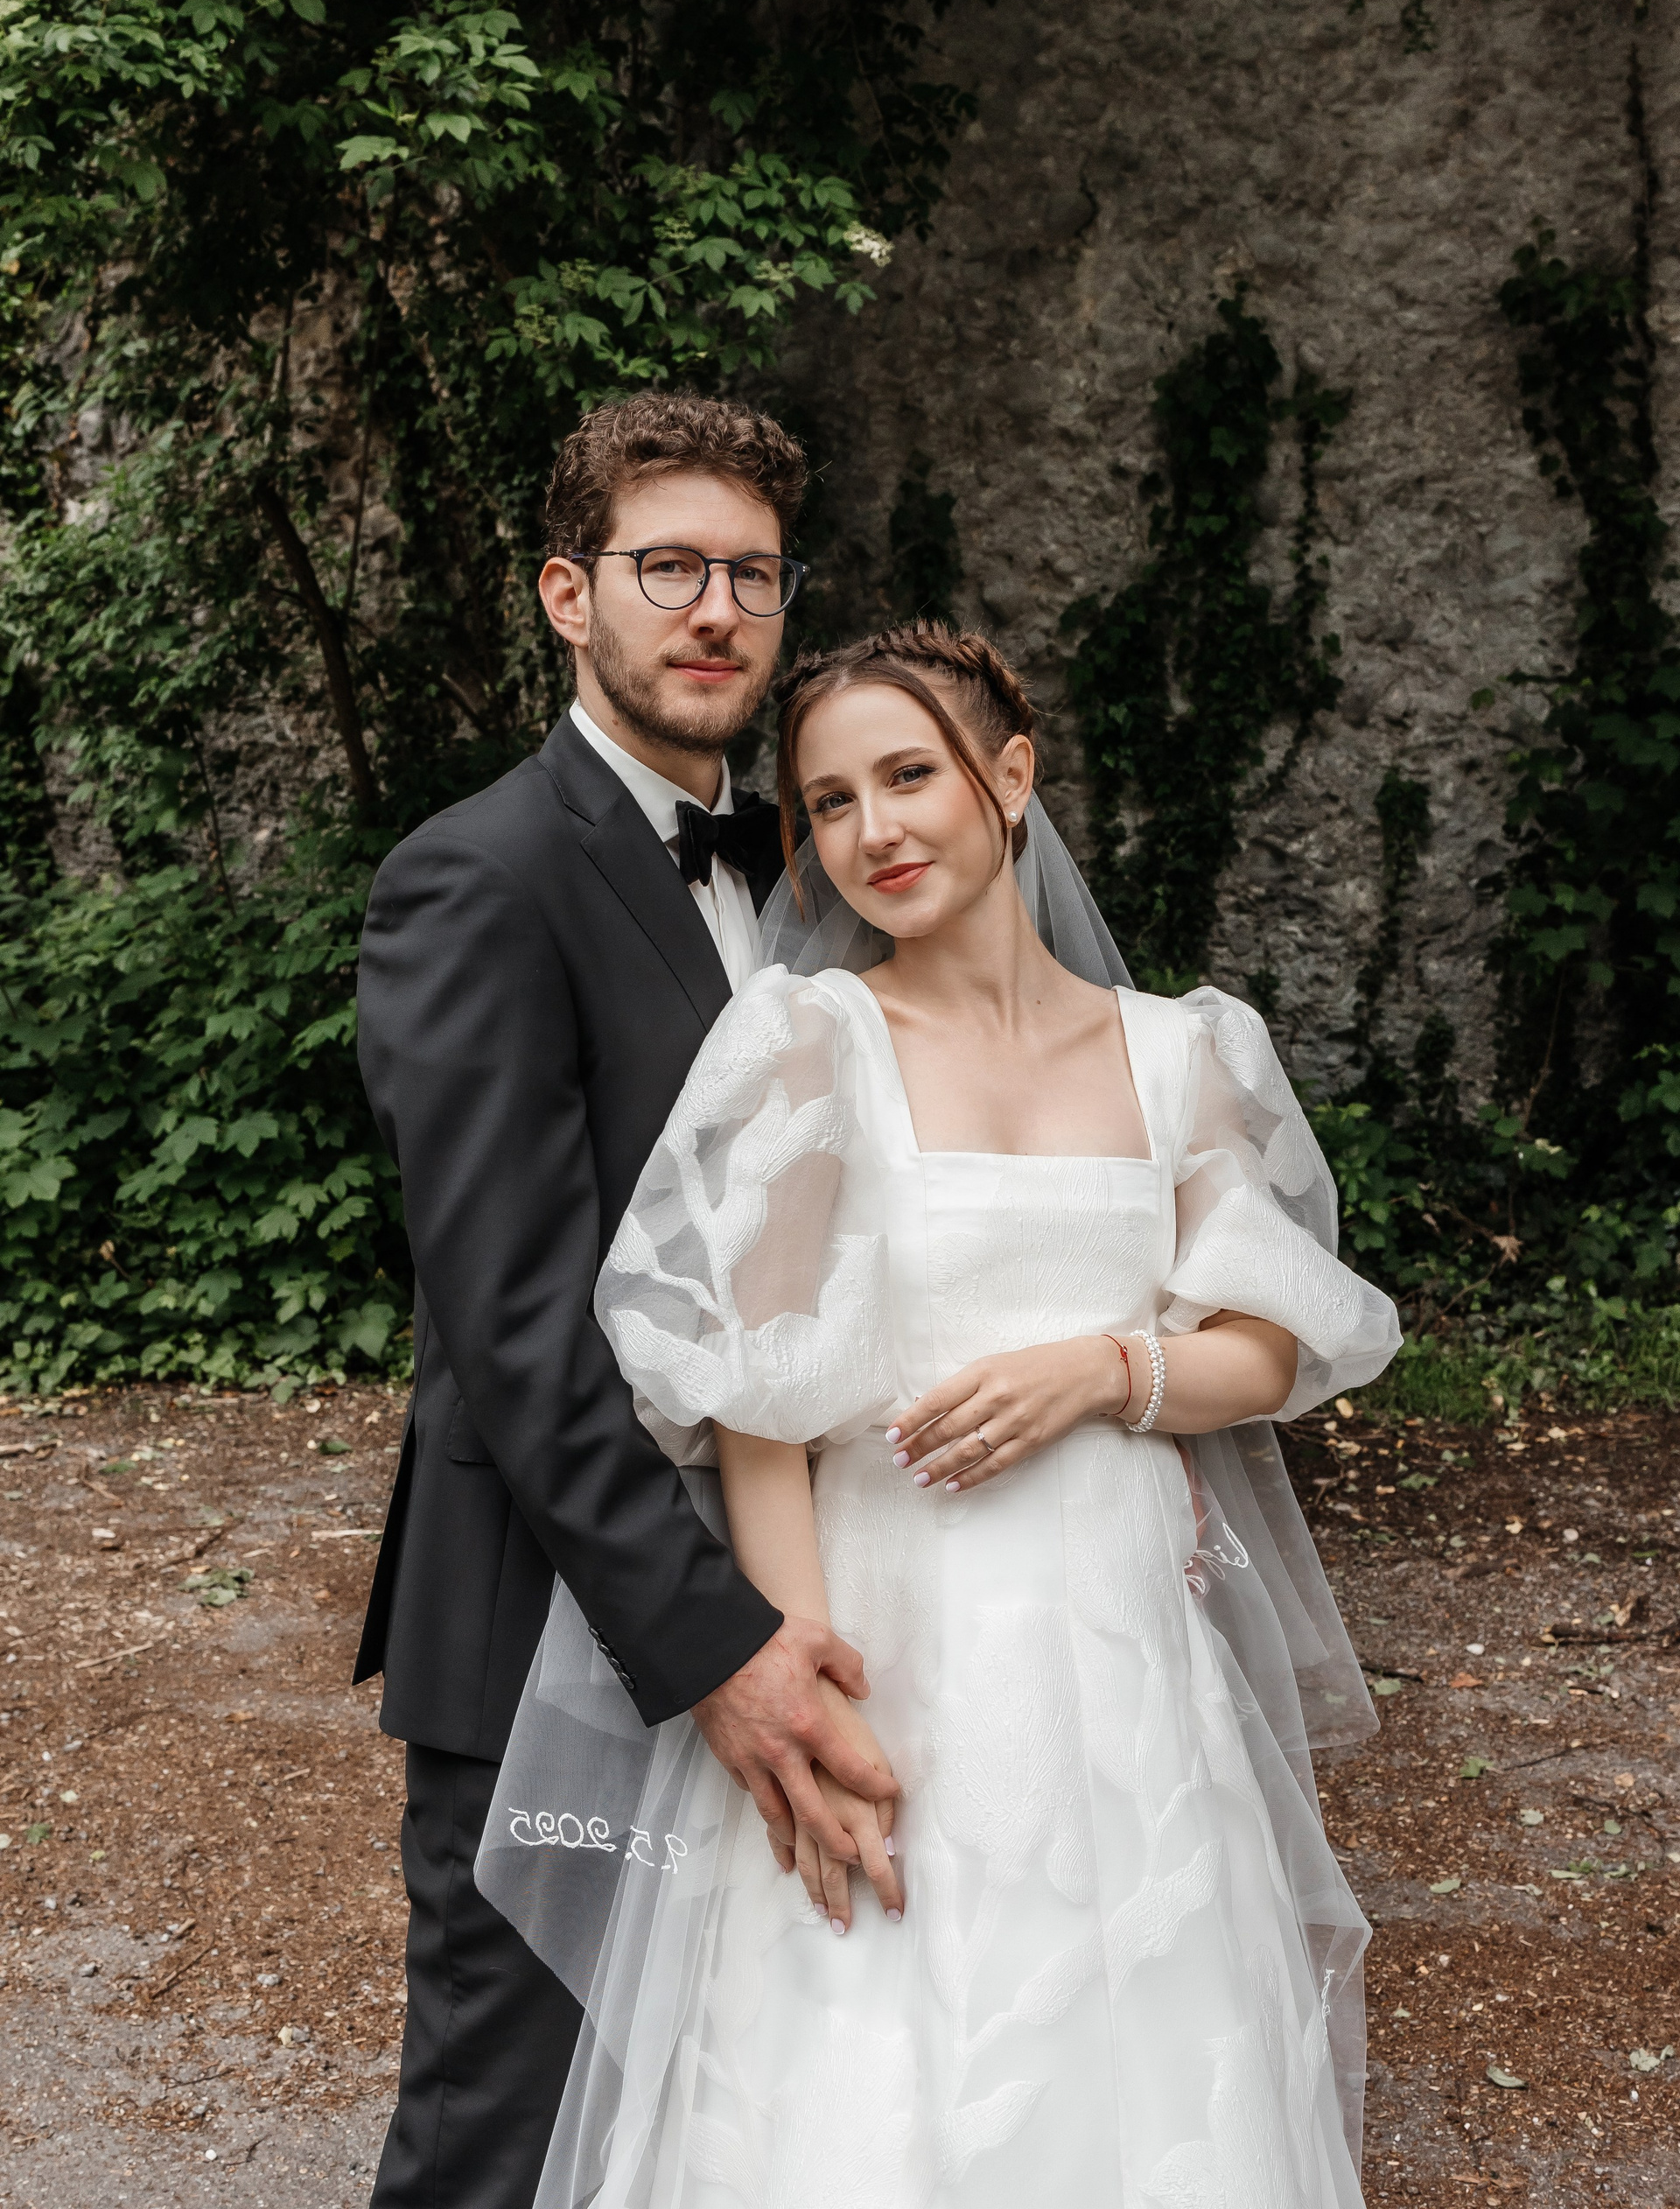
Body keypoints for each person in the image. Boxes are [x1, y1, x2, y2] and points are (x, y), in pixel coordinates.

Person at [482, 622, 1404, 2209]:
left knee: (1144, 2066)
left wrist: (1109, 1371)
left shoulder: (1181, 1053)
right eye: (831, 804)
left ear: (1012, 776)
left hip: (1123, 1655)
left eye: (908, 776)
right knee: (863, 2067)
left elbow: (1274, 1345)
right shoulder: (809, 1044)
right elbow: (759, 1403)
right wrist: (797, 1673)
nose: (874, 832)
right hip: (894, 1642)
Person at [353, 394, 897, 2209]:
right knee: (507, 2143)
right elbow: (513, 1328)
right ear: (567, 595)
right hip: (558, 1624)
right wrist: (717, 1647)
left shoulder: (823, 871)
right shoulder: (479, 874)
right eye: (670, 567)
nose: (719, 610)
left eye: (755, 573)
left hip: (814, 1582)